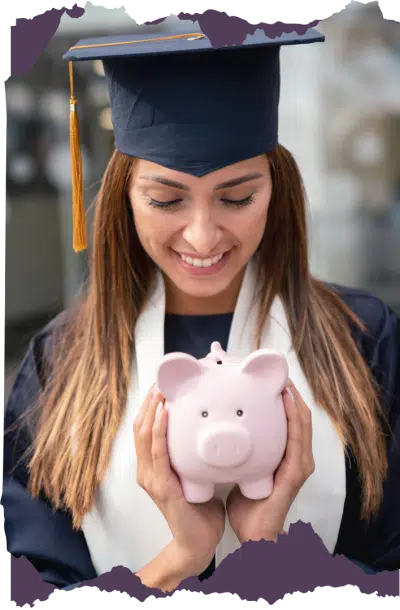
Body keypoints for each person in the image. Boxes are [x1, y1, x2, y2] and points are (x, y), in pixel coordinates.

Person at [2, 22, 400, 594]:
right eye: (165, 199)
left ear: (277, 188)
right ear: (125, 196)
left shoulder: (364, 341)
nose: (202, 236)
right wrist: (179, 559)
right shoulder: (64, 361)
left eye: (238, 197)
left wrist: (272, 554)